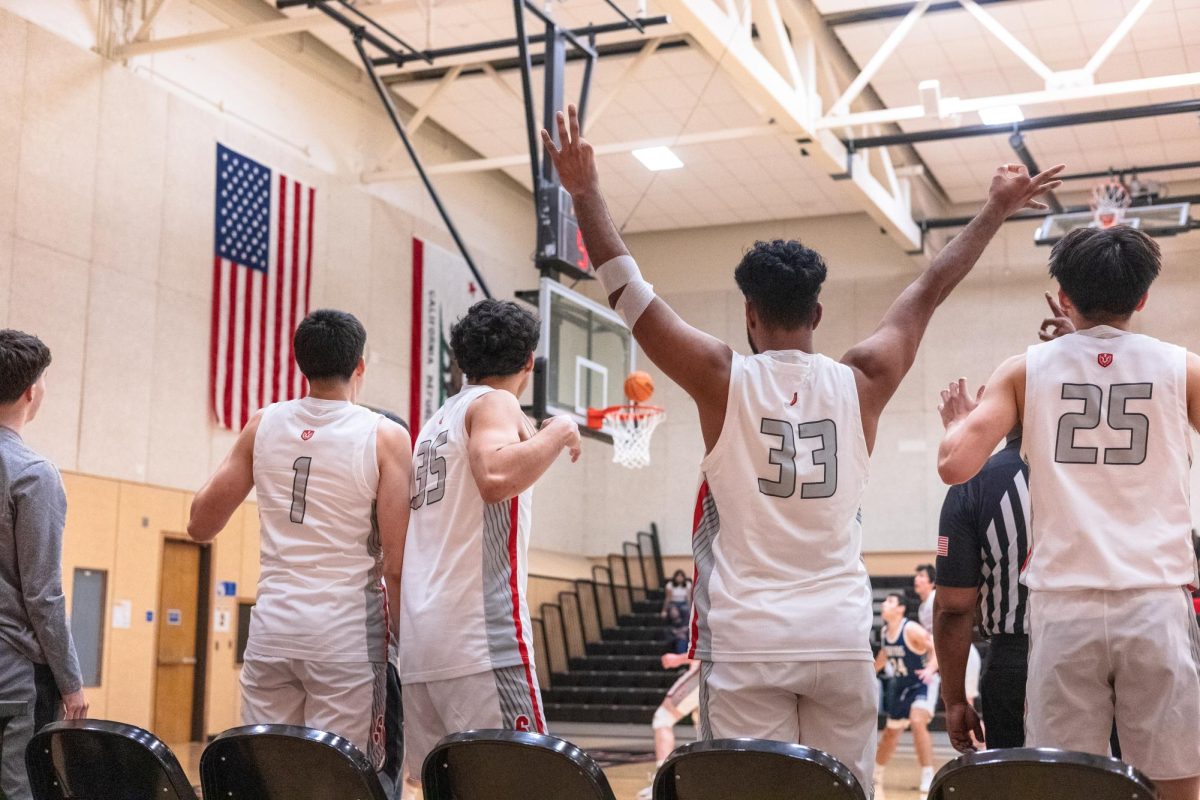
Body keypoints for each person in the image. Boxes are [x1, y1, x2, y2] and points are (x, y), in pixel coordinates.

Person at [542, 102, 1063, 792]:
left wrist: (584, 192)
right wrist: (996, 207)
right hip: (838, 637)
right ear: (817, 313)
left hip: (747, 639)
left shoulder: (722, 378)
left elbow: (627, 291)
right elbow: (930, 287)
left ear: (749, 316)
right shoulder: (866, 379)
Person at [938, 225, 1200, 800]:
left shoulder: (1024, 368)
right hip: (1155, 599)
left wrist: (960, 422)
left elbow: (955, 465)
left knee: (1064, 787)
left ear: (1063, 296)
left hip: (1063, 609)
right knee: (1176, 787)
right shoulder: (1183, 367)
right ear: (1143, 297)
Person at [189, 309, 411, 785]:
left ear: (300, 366)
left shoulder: (263, 424)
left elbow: (199, 524)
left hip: (272, 631)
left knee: (271, 778)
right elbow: (396, 560)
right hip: (346, 637)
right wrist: (408, 642)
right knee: (341, 781)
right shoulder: (385, 435)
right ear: (361, 366)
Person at [398, 299, 581, 800]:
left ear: (461, 359)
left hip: (421, 644)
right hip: (478, 640)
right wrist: (560, 429)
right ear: (529, 362)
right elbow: (496, 475)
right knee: (528, 787)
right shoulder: (495, 404)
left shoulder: (435, 424)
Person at [0, 330, 87, 800]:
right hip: (13, 679)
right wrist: (72, 682)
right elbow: (43, 594)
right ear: (32, 391)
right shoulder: (32, 473)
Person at [933, 422, 1029, 752]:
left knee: (1022, 784)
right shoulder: (1107, 469)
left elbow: (953, 606)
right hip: (1120, 641)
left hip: (1017, 658)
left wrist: (955, 700)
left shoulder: (975, 479)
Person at [873, 594, 934, 800]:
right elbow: (884, 656)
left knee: (917, 721)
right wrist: (870, 673)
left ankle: (928, 774)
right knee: (891, 734)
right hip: (900, 687)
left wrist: (930, 670)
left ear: (901, 608)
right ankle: (876, 774)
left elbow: (936, 648)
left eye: (889, 602)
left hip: (921, 684)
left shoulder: (911, 629)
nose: (884, 604)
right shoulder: (884, 631)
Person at [636, 652, 700, 800]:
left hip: (704, 671)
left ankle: (662, 784)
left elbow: (706, 646)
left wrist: (679, 659)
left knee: (663, 718)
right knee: (704, 729)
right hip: (721, 674)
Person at [661, 570, 692, 654]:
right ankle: (678, 625)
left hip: (683, 603)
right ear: (675, 577)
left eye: (681, 576)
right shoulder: (670, 585)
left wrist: (691, 610)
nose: (679, 578)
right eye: (678, 576)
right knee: (674, 611)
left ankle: (683, 627)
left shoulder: (688, 585)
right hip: (673, 603)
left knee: (685, 609)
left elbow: (688, 598)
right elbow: (668, 598)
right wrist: (664, 610)